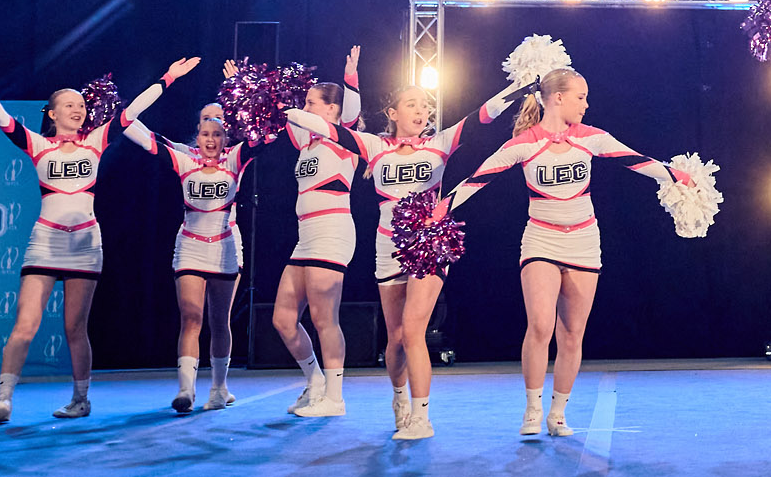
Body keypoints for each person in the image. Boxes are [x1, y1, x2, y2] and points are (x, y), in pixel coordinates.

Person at [440, 67, 694, 436]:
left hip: (583, 241)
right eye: (581, 97)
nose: (586, 105)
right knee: (541, 325)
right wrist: (441, 208)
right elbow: (477, 179)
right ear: (558, 98)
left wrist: (677, 176)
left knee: (572, 333)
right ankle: (532, 408)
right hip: (541, 239)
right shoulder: (524, 143)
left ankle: (557, 412)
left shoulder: (591, 137)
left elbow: (637, 160)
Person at [0, 56, 199, 423]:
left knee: (75, 327)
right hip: (46, 242)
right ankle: (5, 398)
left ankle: (80, 399)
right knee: (25, 324)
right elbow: (0, 116)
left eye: (82, 105)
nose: (78, 110)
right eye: (70, 105)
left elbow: (132, 111)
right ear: (52, 113)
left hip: (86, 244)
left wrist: (167, 78)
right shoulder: (37, 144)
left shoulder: (95, 141)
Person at [286, 81, 521, 439]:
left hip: (429, 244)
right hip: (388, 247)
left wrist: (517, 87)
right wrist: (287, 111)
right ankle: (399, 400)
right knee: (395, 337)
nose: (421, 110)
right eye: (411, 104)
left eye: (424, 105)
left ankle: (422, 418)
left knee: (413, 331)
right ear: (393, 113)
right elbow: (330, 130)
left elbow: (481, 117)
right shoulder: (374, 146)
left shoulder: (440, 143)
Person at [125, 101, 268, 413]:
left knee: (219, 320)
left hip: (225, 246)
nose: (211, 137)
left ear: (226, 134)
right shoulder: (183, 157)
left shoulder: (235, 158)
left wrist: (258, 97)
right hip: (190, 245)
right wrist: (162, 84)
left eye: (217, 130)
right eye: (205, 129)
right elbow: (135, 131)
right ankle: (186, 390)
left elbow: (266, 135)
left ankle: (219, 388)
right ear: (198, 132)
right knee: (191, 317)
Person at [272, 49, 366, 417]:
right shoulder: (306, 143)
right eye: (305, 103)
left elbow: (352, 109)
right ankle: (315, 383)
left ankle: (335, 398)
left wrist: (351, 78)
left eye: (312, 103)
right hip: (306, 237)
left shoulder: (345, 137)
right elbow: (278, 116)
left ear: (331, 110)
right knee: (283, 319)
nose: (305, 107)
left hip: (332, 231)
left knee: (324, 318)